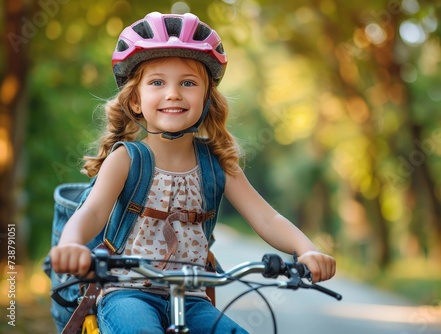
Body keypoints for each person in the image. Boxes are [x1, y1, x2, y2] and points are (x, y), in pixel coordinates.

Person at [50, 11, 336, 334]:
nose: (173, 93)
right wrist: (71, 244)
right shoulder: (127, 160)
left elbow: (267, 219)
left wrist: (307, 250)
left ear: (207, 98)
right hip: (127, 293)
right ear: (135, 101)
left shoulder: (216, 165)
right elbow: (92, 211)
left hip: (193, 299)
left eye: (188, 83)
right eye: (157, 82)